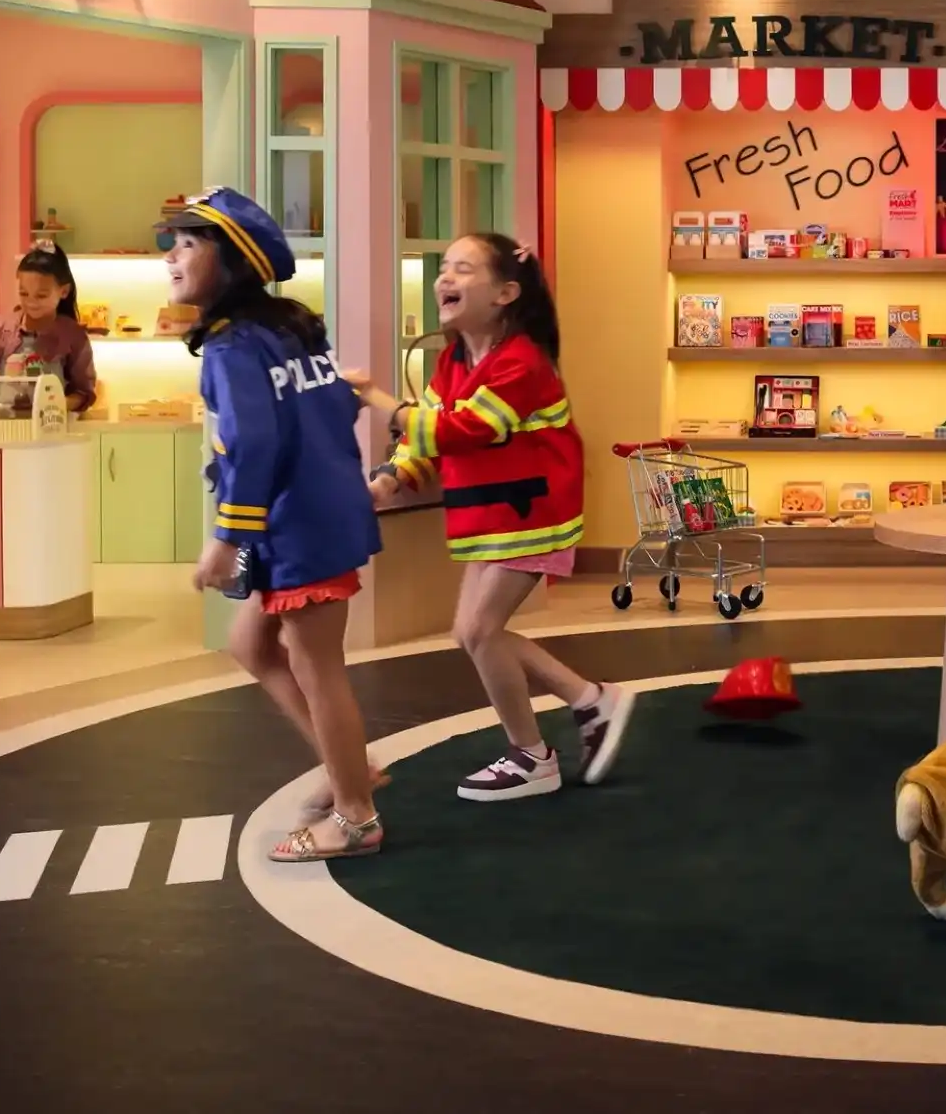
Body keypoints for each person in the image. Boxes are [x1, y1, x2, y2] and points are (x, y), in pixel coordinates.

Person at [350, 232, 634, 803]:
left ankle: (534, 754)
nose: (445, 278)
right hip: (490, 516)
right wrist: (389, 479)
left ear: (506, 293)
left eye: (463, 268)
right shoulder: (455, 360)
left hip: (533, 514)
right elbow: (429, 436)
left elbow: (466, 430)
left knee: (480, 631)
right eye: (445, 267)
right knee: (473, 633)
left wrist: (379, 399)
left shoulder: (523, 363)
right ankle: (589, 700)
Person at [168, 187, 385, 862]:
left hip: (297, 524)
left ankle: (356, 816)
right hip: (319, 511)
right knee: (252, 644)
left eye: (189, 244)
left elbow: (254, 443)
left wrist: (225, 539)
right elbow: (330, 406)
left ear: (232, 262)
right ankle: (350, 767)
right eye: (173, 244)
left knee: (319, 668)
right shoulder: (291, 327)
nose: (172, 257)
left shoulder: (232, 348)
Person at [0, 240, 96, 416]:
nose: (31, 302)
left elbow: (83, 392)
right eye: (24, 293)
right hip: (6, 425)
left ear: (64, 291)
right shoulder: (4, 329)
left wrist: (59, 404)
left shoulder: (72, 335)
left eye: (41, 295)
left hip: (51, 424)